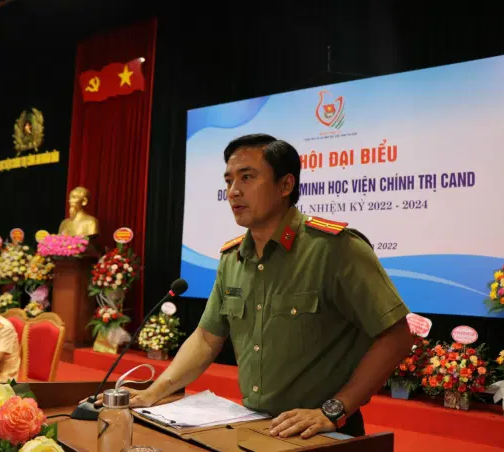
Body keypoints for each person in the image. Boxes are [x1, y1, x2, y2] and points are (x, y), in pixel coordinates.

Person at [96, 134, 413, 438]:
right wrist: (154, 392)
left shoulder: (335, 248)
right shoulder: (232, 259)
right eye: (228, 181)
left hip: (323, 433)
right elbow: (206, 338)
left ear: (285, 185)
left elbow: (397, 335)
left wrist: (334, 410)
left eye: (247, 177)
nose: (233, 191)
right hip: (256, 427)